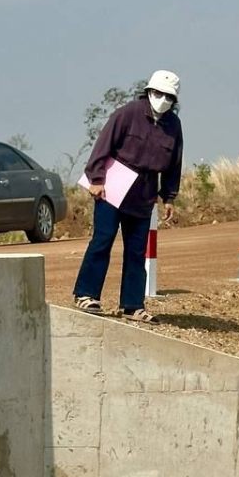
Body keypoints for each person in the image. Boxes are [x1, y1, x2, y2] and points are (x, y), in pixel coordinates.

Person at [72, 70, 184, 323]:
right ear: (149, 92)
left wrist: (169, 197)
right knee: (103, 240)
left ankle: (132, 305)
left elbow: (174, 163)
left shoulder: (173, 126)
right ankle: (86, 294)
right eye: (158, 93)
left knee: (136, 251)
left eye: (168, 97)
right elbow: (103, 145)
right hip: (113, 186)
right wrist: (96, 179)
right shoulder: (127, 113)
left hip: (144, 192)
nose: (162, 100)